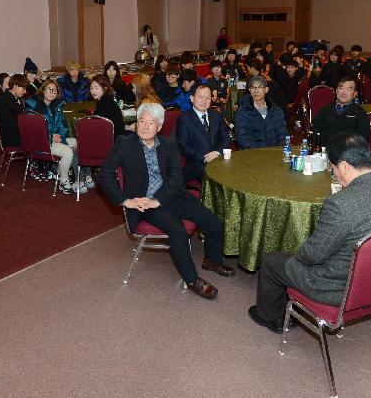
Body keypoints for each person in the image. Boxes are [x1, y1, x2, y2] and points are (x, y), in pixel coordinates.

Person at [249, 133, 371, 333]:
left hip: (338, 287)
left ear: (344, 166)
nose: (334, 174)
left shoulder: (340, 204)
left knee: (272, 261)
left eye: (332, 168)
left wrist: (298, 252)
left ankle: (270, 317)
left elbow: (313, 255)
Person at [99, 102, 234, 298]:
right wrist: (125, 201)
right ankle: (191, 279)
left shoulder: (169, 145)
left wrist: (160, 200)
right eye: (141, 121)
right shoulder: (124, 144)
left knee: (214, 222)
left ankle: (211, 260)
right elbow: (105, 174)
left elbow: (176, 178)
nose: (145, 126)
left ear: (159, 127)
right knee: (178, 231)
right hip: (144, 203)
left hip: (170, 195)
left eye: (151, 123)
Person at [25, 80, 87, 194]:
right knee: (68, 151)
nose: (52, 92)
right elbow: (32, 130)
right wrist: (51, 137)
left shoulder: (57, 105)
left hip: (54, 139)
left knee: (76, 143)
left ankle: (80, 179)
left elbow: (62, 126)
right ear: (43, 90)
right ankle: (64, 181)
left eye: (54, 90)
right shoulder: (33, 106)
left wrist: (60, 137)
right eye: (49, 89)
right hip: (40, 142)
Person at [175, 84, 232, 182]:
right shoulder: (184, 119)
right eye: (200, 97)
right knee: (217, 178)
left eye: (207, 98)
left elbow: (226, 138)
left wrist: (217, 153)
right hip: (198, 164)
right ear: (192, 98)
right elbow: (184, 146)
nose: (204, 101)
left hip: (219, 158)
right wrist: (205, 158)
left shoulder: (216, 116)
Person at [311, 74, 371, 149]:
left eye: (349, 89)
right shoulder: (325, 110)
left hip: (349, 153)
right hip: (324, 152)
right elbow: (314, 133)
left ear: (355, 94)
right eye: (341, 88)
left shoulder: (360, 113)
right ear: (336, 91)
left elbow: (363, 138)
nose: (343, 92)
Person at [234, 75, 287, 150]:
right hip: (252, 154)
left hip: (274, 153)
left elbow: (282, 135)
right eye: (252, 87)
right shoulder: (242, 112)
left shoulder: (276, 111)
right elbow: (244, 139)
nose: (256, 90)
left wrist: (275, 151)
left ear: (266, 90)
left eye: (259, 87)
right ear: (249, 90)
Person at [0, 73, 28, 147]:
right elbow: (11, 126)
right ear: (15, 86)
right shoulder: (4, 102)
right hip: (11, 139)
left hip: (15, 134)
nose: (25, 92)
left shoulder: (13, 97)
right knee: (40, 134)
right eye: (23, 88)